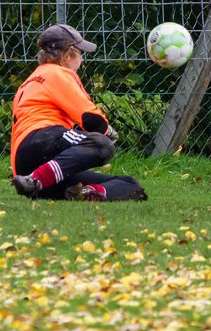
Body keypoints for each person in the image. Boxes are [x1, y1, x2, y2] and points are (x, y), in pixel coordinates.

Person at [10, 23, 147, 202]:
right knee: (102, 145)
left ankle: (84, 192)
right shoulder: (58, 73)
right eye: (80, 53)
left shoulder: (29, 81)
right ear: (67, 55)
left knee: (131, 185)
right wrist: (109, 133)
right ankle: (36, 179)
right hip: (42, 139)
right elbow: (91, 119)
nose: (82, 59)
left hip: (25, 161)